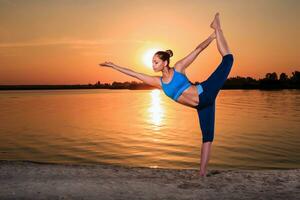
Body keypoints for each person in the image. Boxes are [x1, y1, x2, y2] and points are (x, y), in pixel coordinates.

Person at [99, 12, 234, 177]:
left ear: (165, 62)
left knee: (228, 59)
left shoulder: (179, 68)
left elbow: (197, 50)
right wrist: (114, 66)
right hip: (202, 106)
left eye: (156, 62)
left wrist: (211, 38)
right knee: (207, 138)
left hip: (205, 91)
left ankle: (217, 29)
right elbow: (134, 74)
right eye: (152, 62)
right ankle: (202, 173)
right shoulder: (159, 83)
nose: (153, 65)